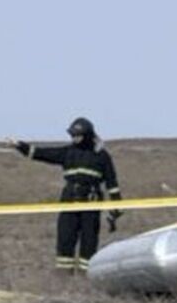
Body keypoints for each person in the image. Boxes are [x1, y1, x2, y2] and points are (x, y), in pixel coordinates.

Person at [8, 117, 121, 272]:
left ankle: (85, 275)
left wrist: (117, 207)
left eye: (77, 135)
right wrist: (20, 146)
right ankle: (64, 275)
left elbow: (112, 183)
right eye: (72, 135)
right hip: (68, 201)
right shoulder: (67, 152)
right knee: (65, 238)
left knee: (89, 241)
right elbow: (42, 153)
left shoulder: (101, 156)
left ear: (87, 135)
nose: (74, 138)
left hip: (91, 203)